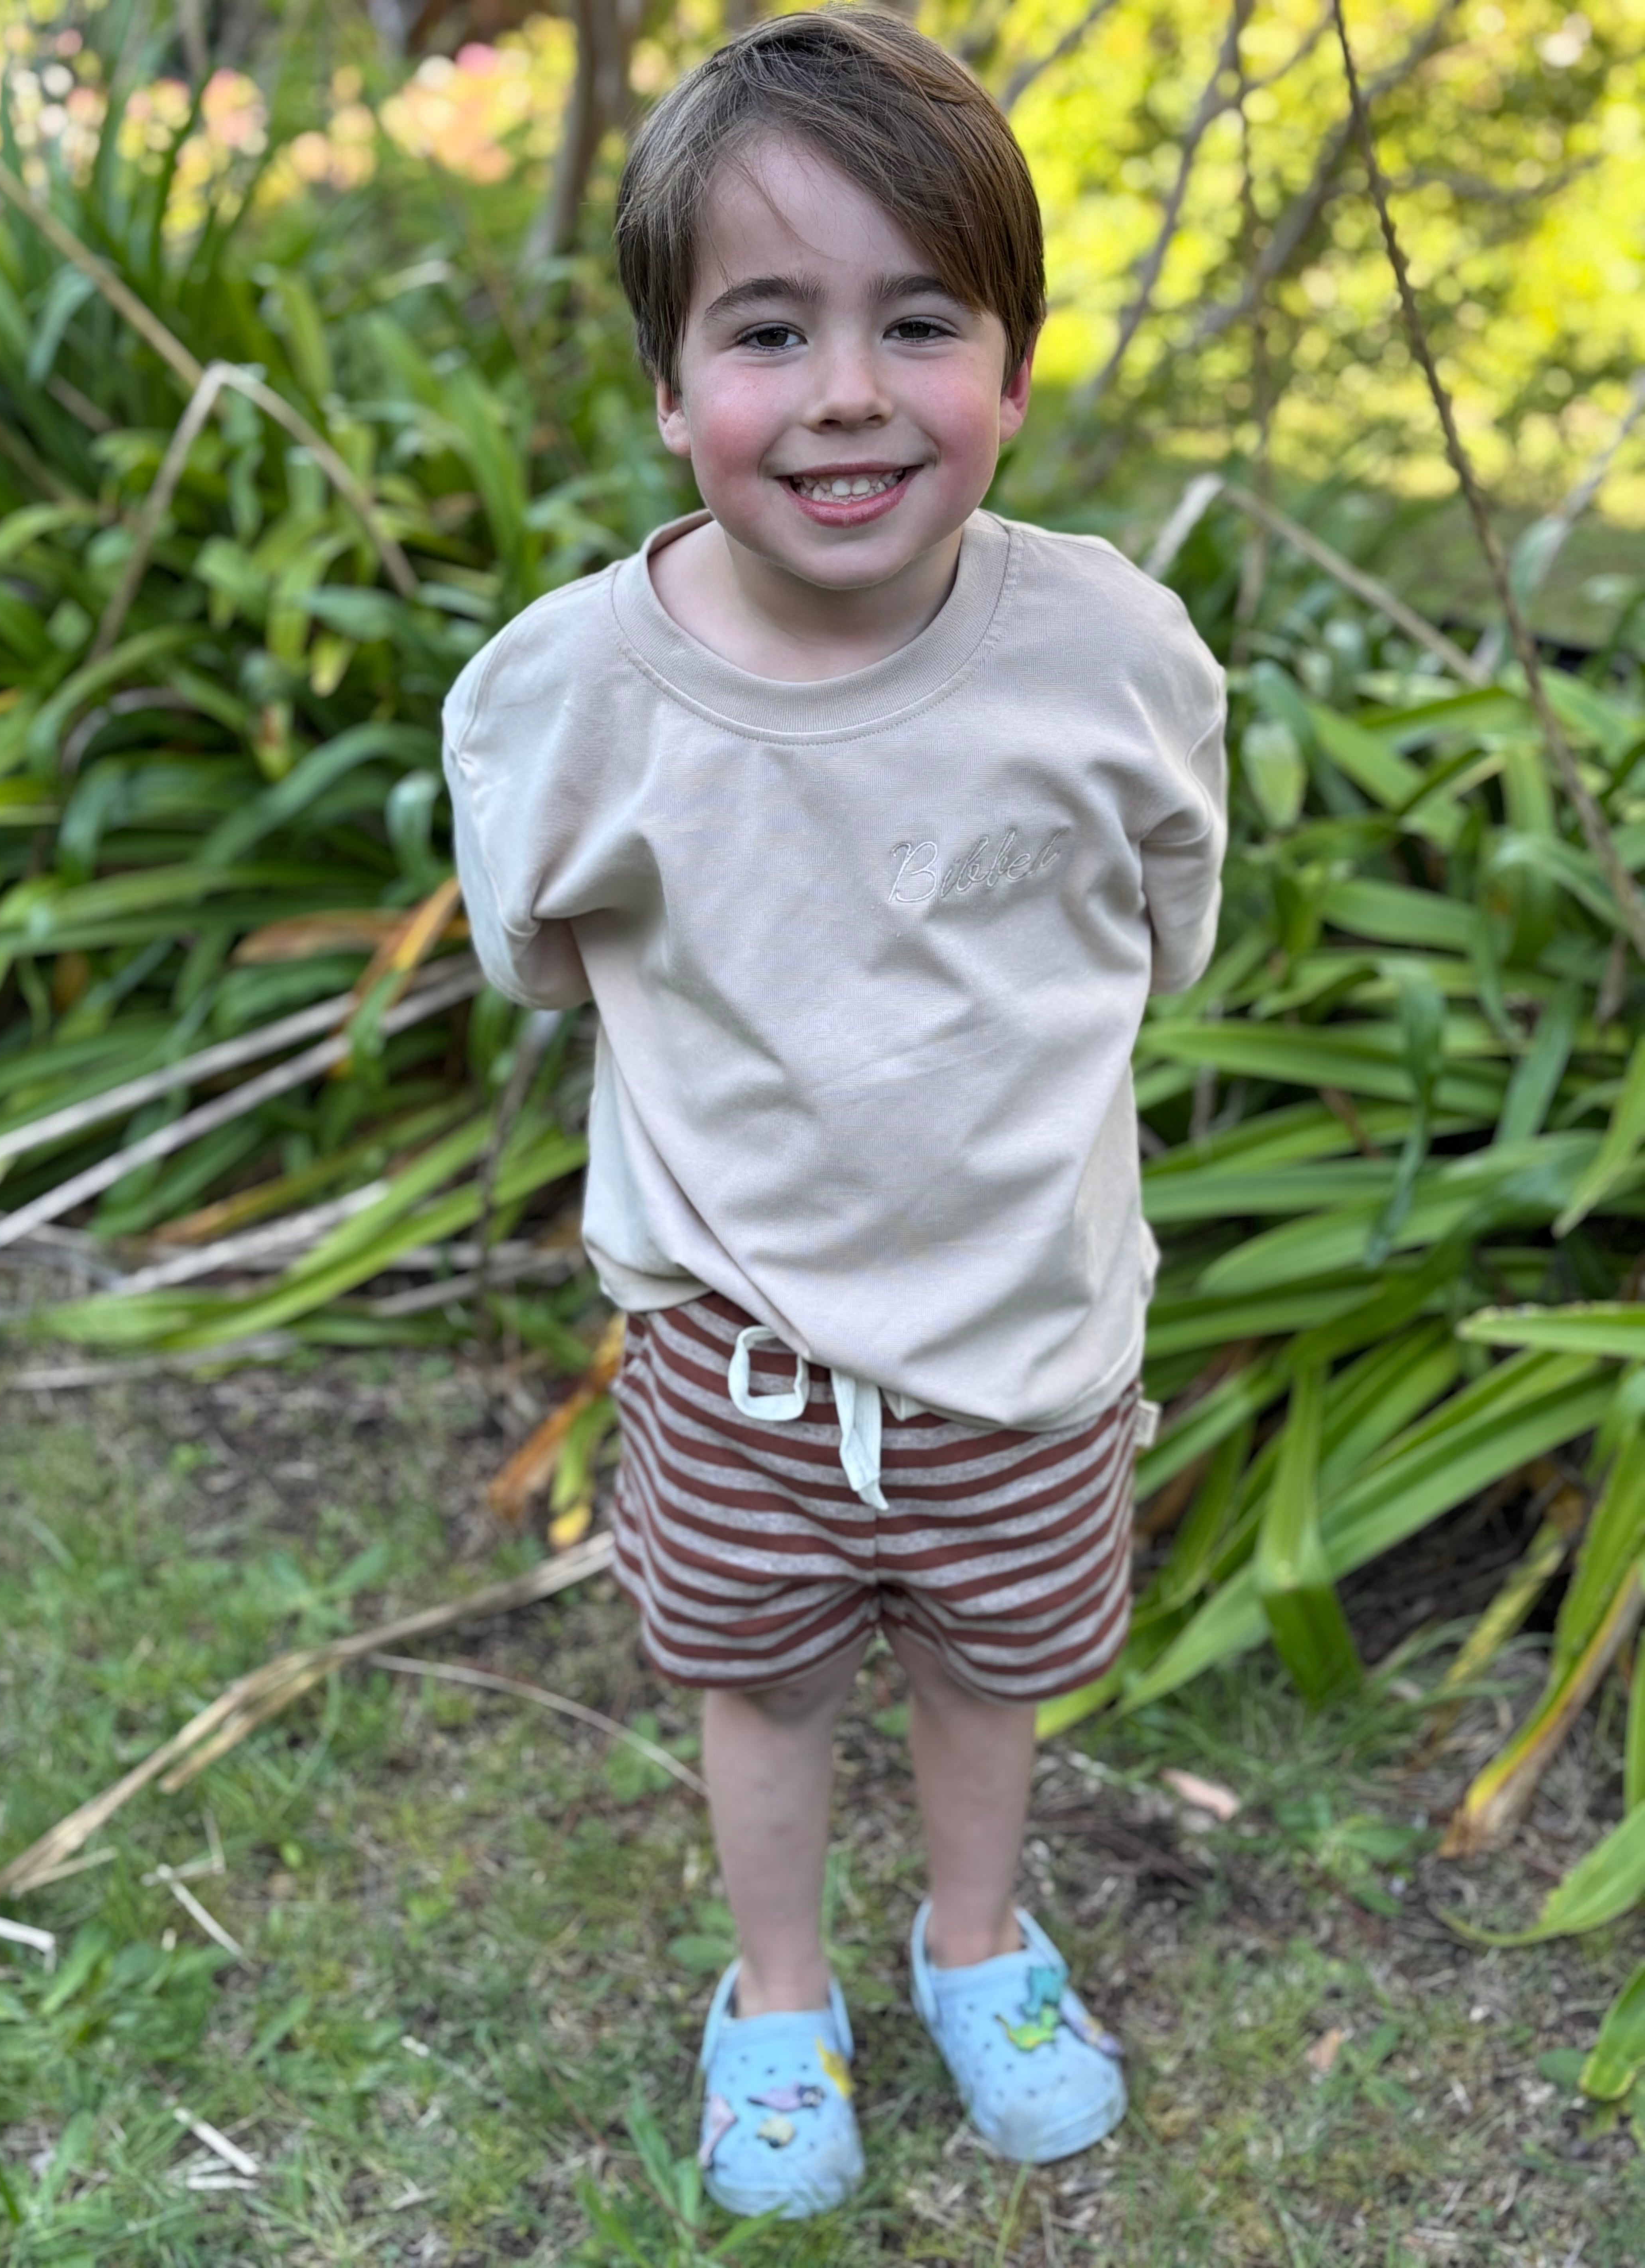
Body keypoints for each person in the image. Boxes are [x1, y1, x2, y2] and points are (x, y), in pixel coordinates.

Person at [443, 7, 1226, 2220]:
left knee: (996, 1662)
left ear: (1015, 360)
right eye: (770, 329)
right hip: (738, 1349)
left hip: (1028, 1329)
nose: (853, 391)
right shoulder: (570, 694)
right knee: (761, 1678)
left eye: (920, 321)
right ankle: (776, 1994)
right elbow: (541, 940)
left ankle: (975, 1944)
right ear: (671, 387)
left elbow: (1160, 930)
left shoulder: (1117, 659)